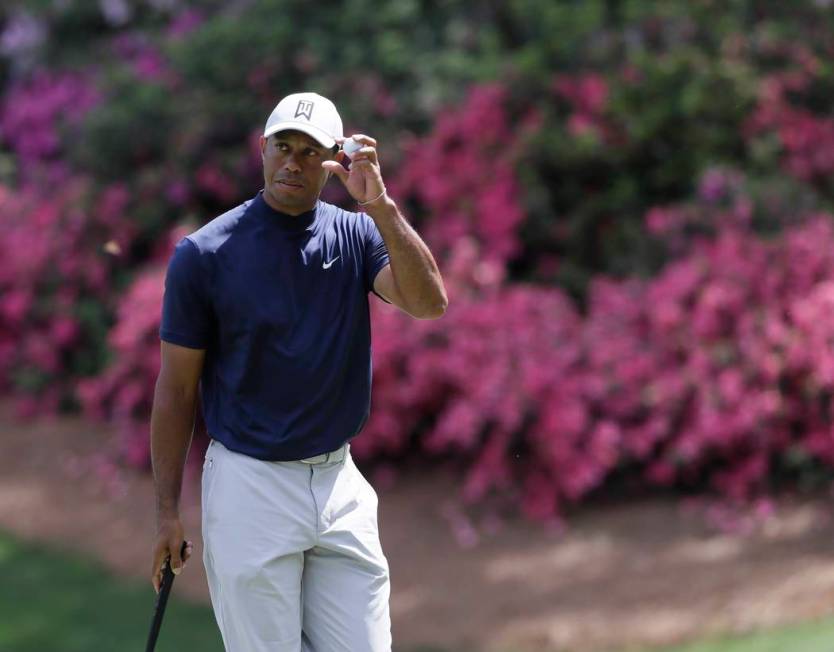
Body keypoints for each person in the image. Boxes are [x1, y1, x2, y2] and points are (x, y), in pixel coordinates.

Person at [149, 91, 447, 651]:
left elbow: (429, 303)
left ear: (336, 161)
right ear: (263, 150)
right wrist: (167, 514)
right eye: (283, 147)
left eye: (311, 153)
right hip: (249, 484)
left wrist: (379, 204)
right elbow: (175, 390)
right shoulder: (204, 254)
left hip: (339, 484)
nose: (293, 162)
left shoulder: (355, 235)